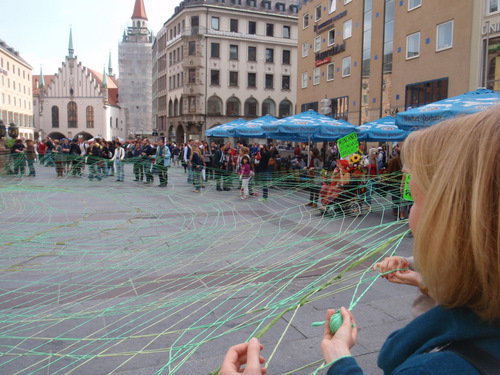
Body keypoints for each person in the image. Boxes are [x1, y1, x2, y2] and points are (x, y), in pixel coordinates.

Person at [220, 106, 500, 374]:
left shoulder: (435, 368)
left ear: (451, 221)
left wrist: (340, 357)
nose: (408, 211)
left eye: (414, 198)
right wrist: (422, 278)